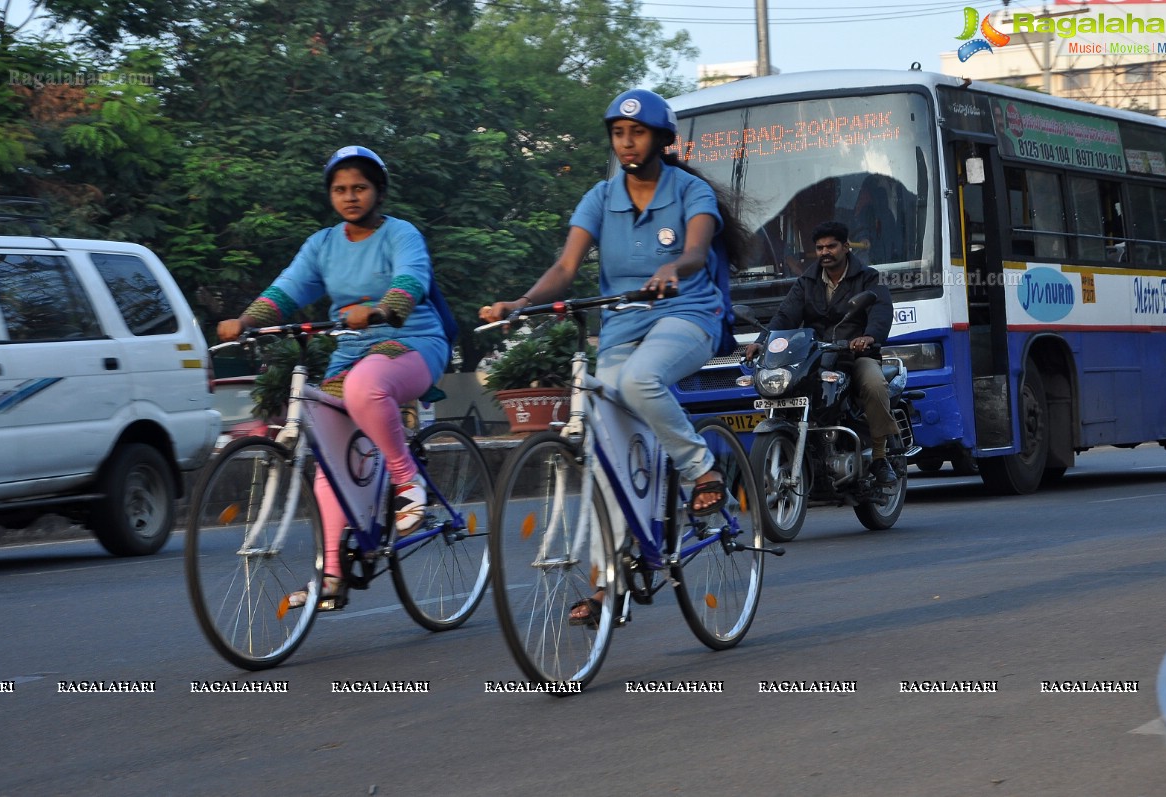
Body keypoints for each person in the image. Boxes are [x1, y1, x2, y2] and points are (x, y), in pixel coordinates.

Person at [478, 88, 751, 625]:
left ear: (662, 139)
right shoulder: (600, 198)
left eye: (638, 132)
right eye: (618, 133)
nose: (627, 142)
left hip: (689, 315)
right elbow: (564, 268)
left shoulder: (690, 190)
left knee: (641, 380)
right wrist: (522, 302)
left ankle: (702, 472)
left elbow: (696, 249)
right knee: (608, 454)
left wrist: (676, 268)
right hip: (623, 323)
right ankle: (610, 584)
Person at [217, 145, 452, 607]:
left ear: (378, 192)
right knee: (329, 449)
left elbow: (412, 280)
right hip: (350, 352)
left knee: (367, 388)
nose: (350, 196)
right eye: (340, 189)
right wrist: (245, 320)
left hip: (413, 343)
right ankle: (332, 571)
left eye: (360, 187)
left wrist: (385, 308)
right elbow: (288, 287)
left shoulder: (400, 234)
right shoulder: (322, 244)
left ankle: (409, 485)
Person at [744, 220, 899, 485]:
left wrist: (869, 337)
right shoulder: (807, 281)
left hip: (854, 356)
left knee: (874, 385)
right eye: (819, 248)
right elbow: (785, 315)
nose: (825, 252)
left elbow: (881, 311)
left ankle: (880, 457)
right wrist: (762, 341)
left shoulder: (867, 277)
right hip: (817, 357)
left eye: (831, 246)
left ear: (846, 247)